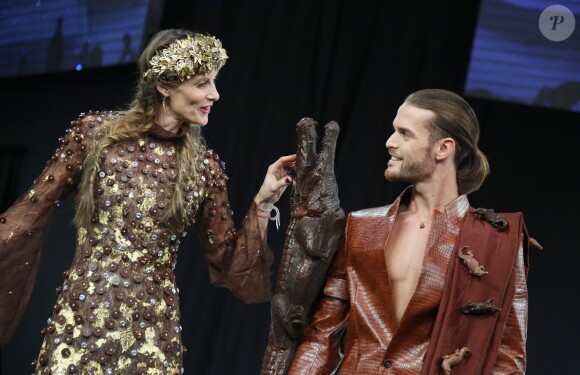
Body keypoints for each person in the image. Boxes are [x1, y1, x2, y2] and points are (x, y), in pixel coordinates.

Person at [0, 29, 295, 374]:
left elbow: (231, 264)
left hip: (153, 331)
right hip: (83, 320)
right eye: (202, 83)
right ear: (164, 86)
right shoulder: (96, 135)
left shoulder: (205, 168)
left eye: (214, 82)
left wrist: (262, 203)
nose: (214, 94)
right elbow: (27, 215)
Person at [289, 89, 535, 374]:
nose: (390, 142)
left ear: (443, 148)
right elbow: (323, 333)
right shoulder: (362, 225)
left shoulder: (493, 242)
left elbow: (507, 359)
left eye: (405, 134)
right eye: (394, 131)